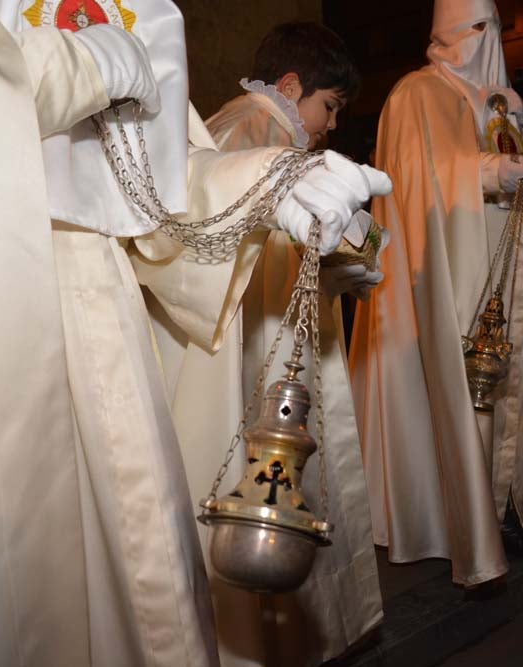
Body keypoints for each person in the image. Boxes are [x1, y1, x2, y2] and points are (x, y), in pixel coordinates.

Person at [0, 1, 391, 664]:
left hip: (102, 326)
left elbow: (159, 194)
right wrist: (61, 69)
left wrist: (270, 185)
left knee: (137, 594)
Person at [163, 22, 382, 667]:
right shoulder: (248, 131)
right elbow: (206, 241)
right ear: (290, 87)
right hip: (242, 356)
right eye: (330, 106)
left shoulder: (267, 132)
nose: (332, 124)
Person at [349, 0, 523, 587]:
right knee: (461, 400)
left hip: (510, 273)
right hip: (450, 283)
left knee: (510, 396)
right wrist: (483, 171)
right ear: (453, 31)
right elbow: (411, 180)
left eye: (494, 31)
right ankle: (460, 528)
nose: (488, 44)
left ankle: (507, 516)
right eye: (478, 30)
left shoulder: (498, 99)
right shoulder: (417, 94)